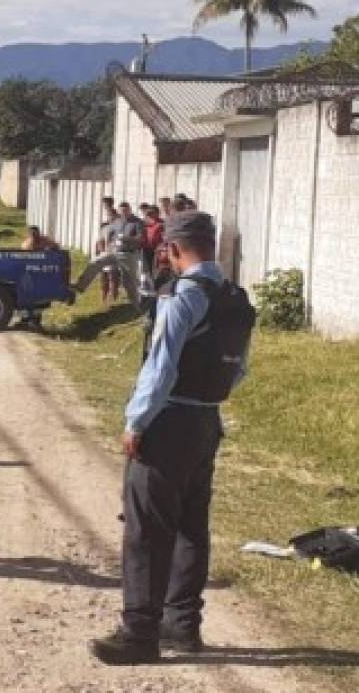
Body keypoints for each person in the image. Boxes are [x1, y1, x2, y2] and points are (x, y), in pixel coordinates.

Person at [91, 211, 250, 665]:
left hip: (169, 422)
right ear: (211, 244)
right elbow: (239, 369)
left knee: (145, 530)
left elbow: (160, 367)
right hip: (206, 422)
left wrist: (136, 421)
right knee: (190, 528)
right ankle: (182, 626)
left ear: (174, 250)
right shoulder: (234, 297)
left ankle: (139, 634)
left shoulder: (183, 296)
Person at [72, 202, 144, 307]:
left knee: (129, 282)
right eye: (121, 211)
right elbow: (110, 234)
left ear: (130, 210)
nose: (123, 213)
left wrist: (127, 238)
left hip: (128, 255)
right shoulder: (117, 221)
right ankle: (80, 286)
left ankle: (136, 304)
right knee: (96, 262)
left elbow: (140, 239)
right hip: (113, 251)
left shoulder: (137, 223)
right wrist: (108, 245)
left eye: (125, 211)